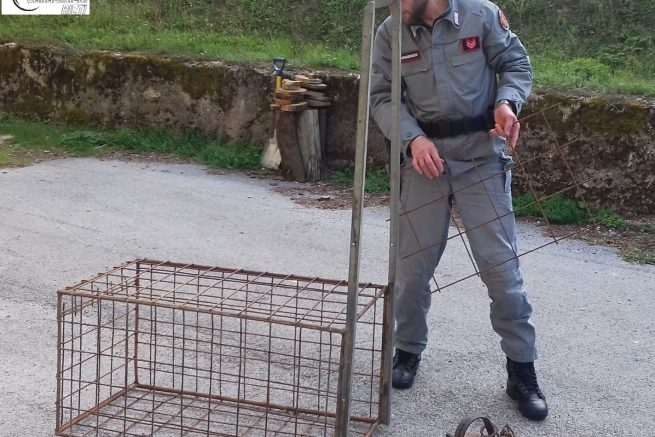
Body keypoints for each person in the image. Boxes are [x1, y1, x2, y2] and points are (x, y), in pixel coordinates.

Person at [370, 0, 548, 421]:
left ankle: (521, 370)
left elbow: (515, 65)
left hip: (481, 159)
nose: (394, 6)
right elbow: (381, 98)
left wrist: (507, 102)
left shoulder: (480, 15)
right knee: (411, 269)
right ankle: (407, 350)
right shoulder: (391, 31)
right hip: (424, 161)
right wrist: (412, 139)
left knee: (501, 270)